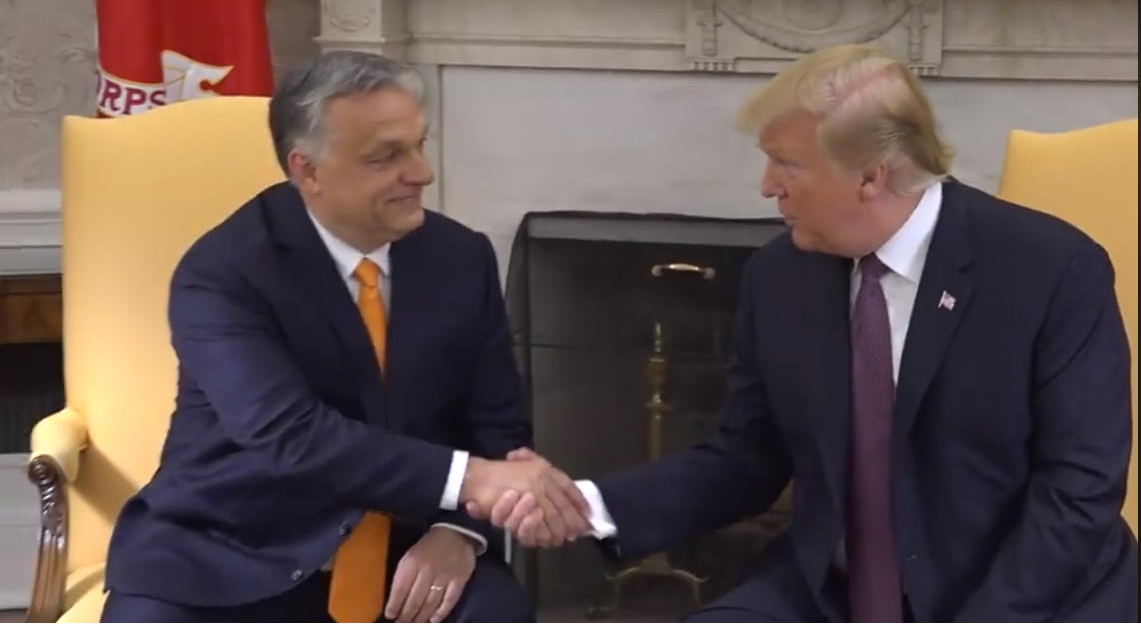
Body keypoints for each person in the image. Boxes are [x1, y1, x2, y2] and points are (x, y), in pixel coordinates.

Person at [473, 44, 1139, 622]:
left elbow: (1077, 491)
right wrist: (588, 504)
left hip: (1020, 595)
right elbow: (745, 458)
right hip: (834, 589)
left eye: (785, 164)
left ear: (871, 175)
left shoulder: (1050, 270)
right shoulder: (781, 275)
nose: (767, 187)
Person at [99, 51, 591, 623]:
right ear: (307, 170)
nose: (422, 173)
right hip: (228, 551)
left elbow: (497, 426)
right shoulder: (223, 274)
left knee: (498, 612)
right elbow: (290, 436)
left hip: (409, 548)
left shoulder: (462, 258)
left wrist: (458, 532)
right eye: (386, 156)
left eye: (419, 145)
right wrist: (473, 480)